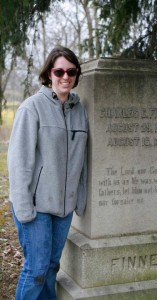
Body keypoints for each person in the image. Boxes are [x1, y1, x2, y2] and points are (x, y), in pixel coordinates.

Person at [7, 46, 88, 300]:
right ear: (49, 74)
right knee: (37, 270)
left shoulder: (80, 111)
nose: (66, 76)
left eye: (71, 71)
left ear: (76, 74)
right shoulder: (32, 108)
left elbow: (83, 160)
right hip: (35, 207)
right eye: (60, 71)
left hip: (63, 208)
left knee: (53, 266)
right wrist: (23, 208)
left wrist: (80, 199)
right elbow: (19, 162)